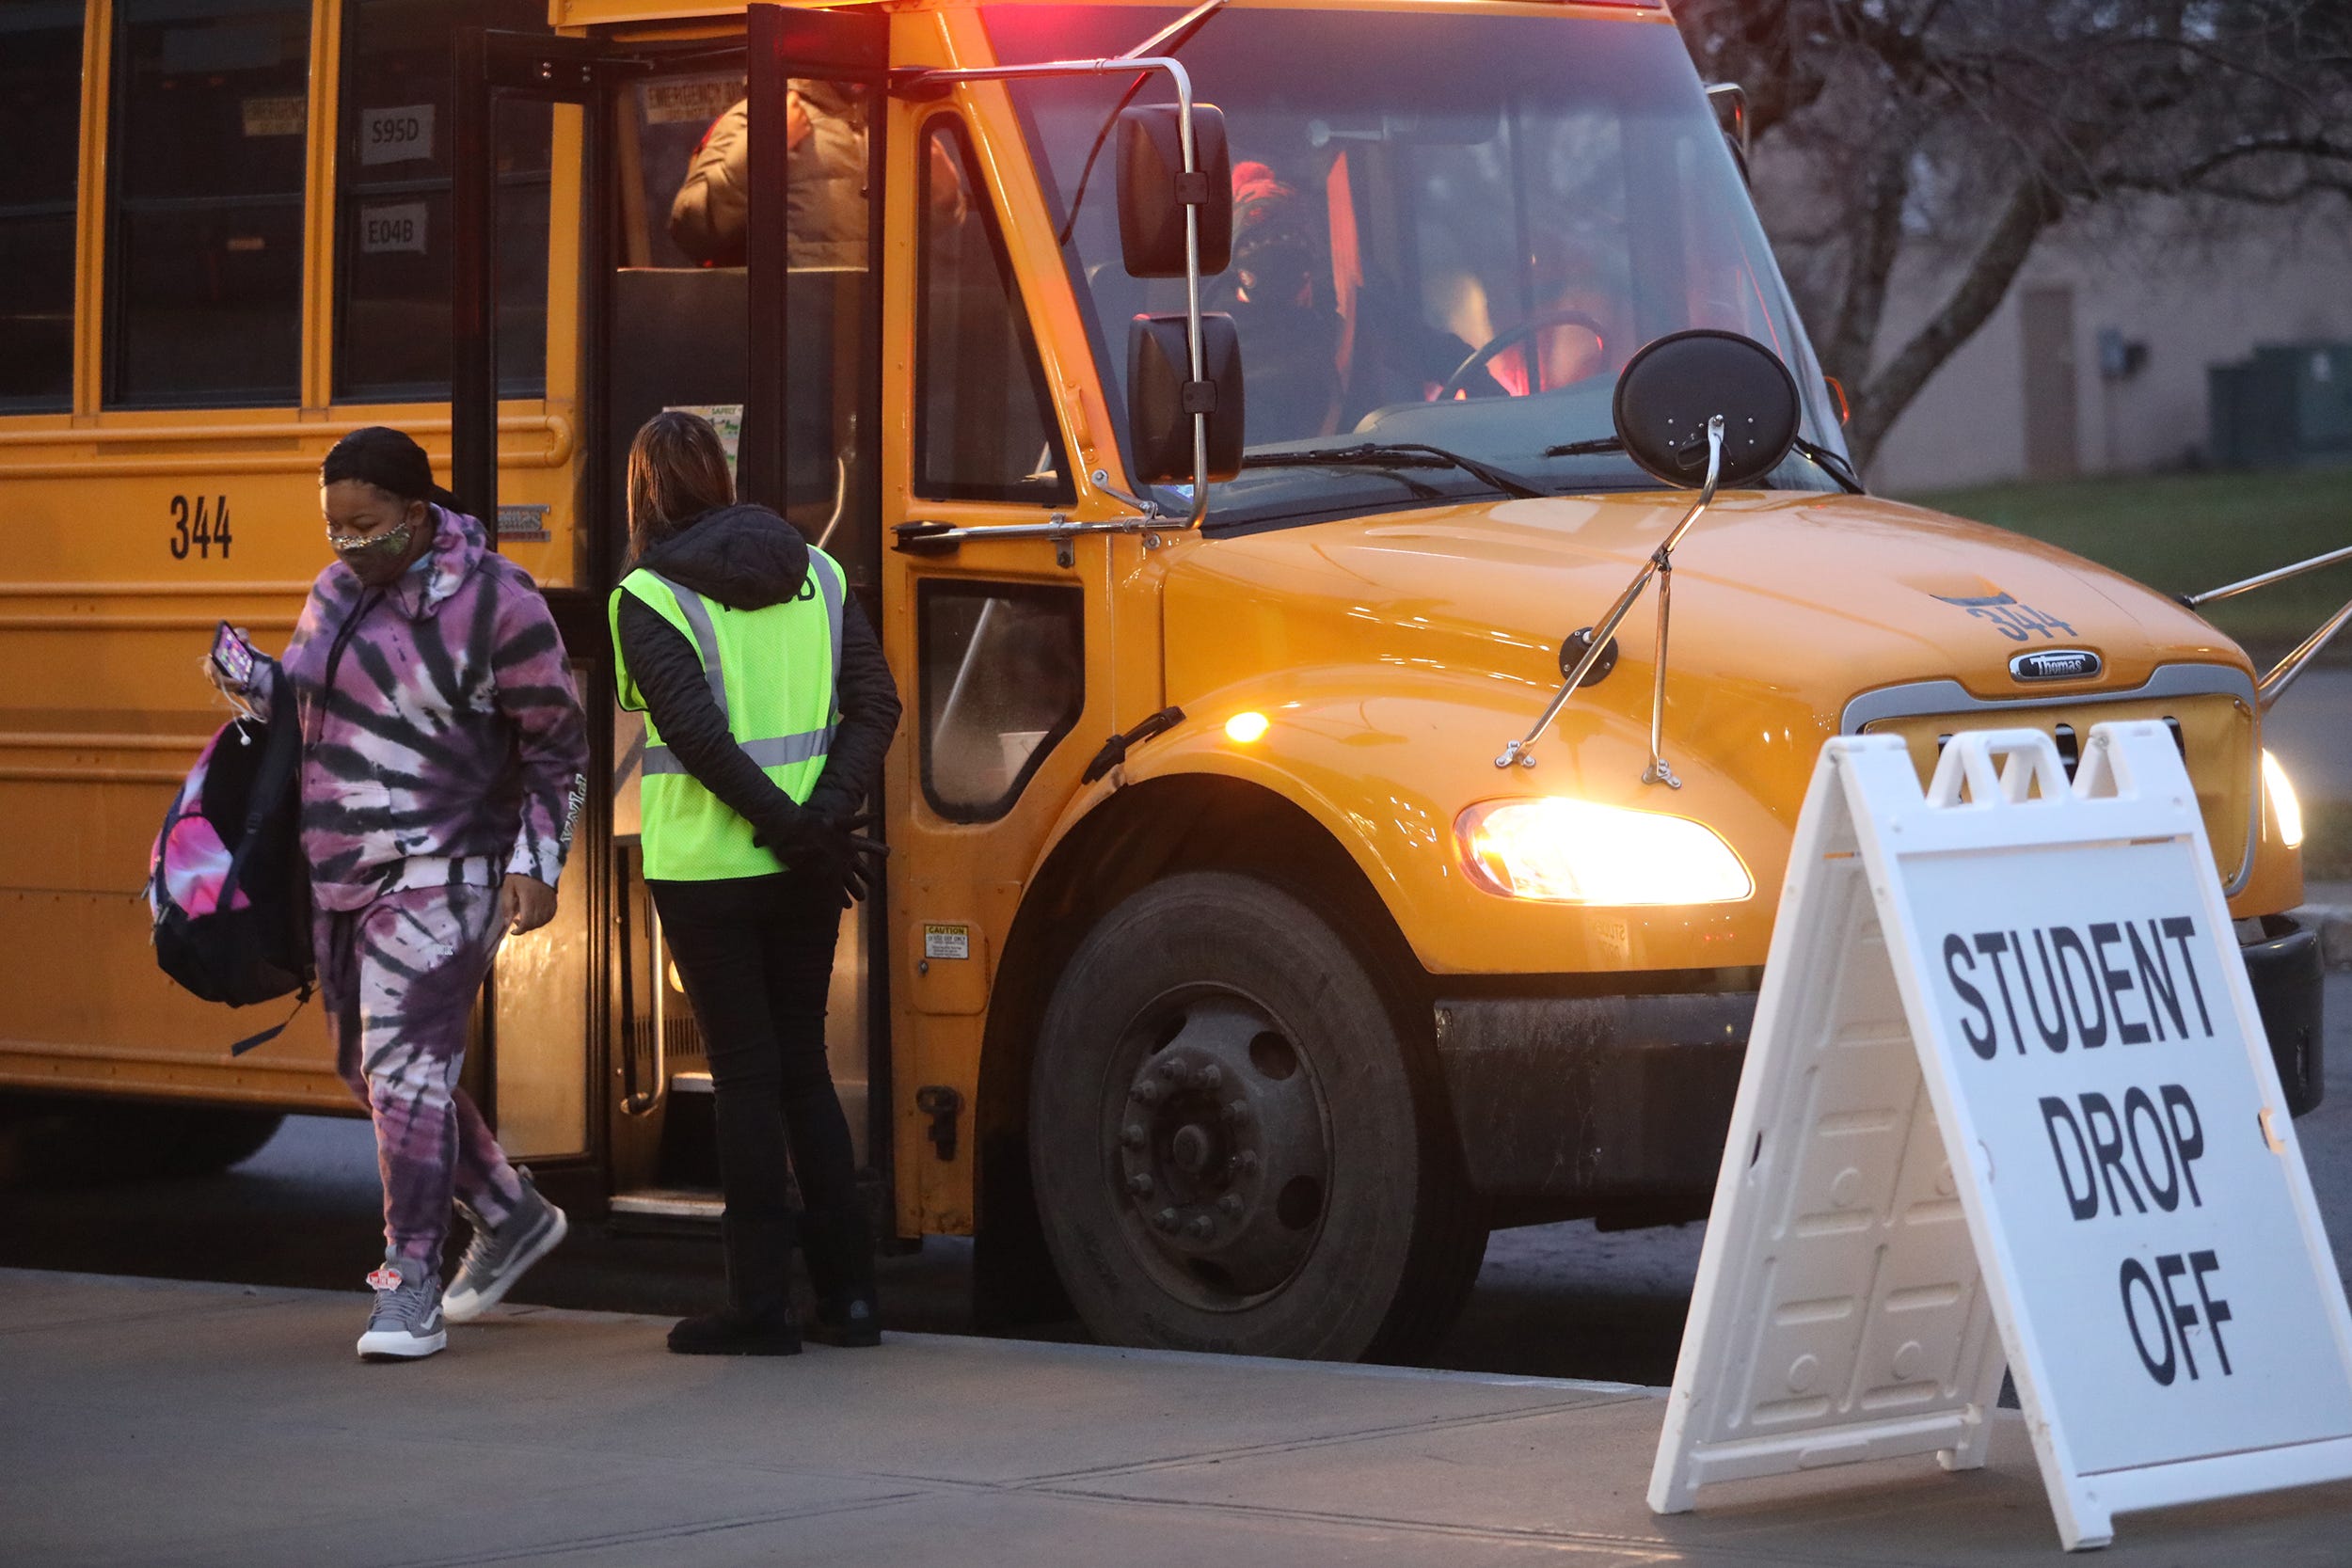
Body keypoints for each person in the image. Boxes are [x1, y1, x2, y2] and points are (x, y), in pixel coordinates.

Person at [211, 426, 590, 1361]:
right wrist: (251, 680)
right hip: (339, 868)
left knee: (407, 1073)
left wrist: (536, 861)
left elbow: (556, 740)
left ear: (417, 516)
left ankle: (407, 1279)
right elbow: (310, 708)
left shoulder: (499, 601)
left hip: (445, 865)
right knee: (376, 1073)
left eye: (364, 524)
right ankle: (510, 1210)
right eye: (333, 525)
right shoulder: (336, 591)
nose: (345, 544)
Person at [611, 411, 901, 1355]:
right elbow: (876, 703)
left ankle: (758, 1307)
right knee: (803, 1065)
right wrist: (820, 824)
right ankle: (852, 1300)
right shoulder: (818, 571)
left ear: (647, 489)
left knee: (746, 1075)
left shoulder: (647, 595)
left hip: (706, 870)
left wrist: (790, 828)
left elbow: (693, 737)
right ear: (723, 477)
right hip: (806, 868)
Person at [668, 81, 866, 268]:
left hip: (873, 303)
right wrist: (764, 146)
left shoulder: (889, 114)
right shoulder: (761, 114)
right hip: (793, 302)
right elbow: (690, 231)